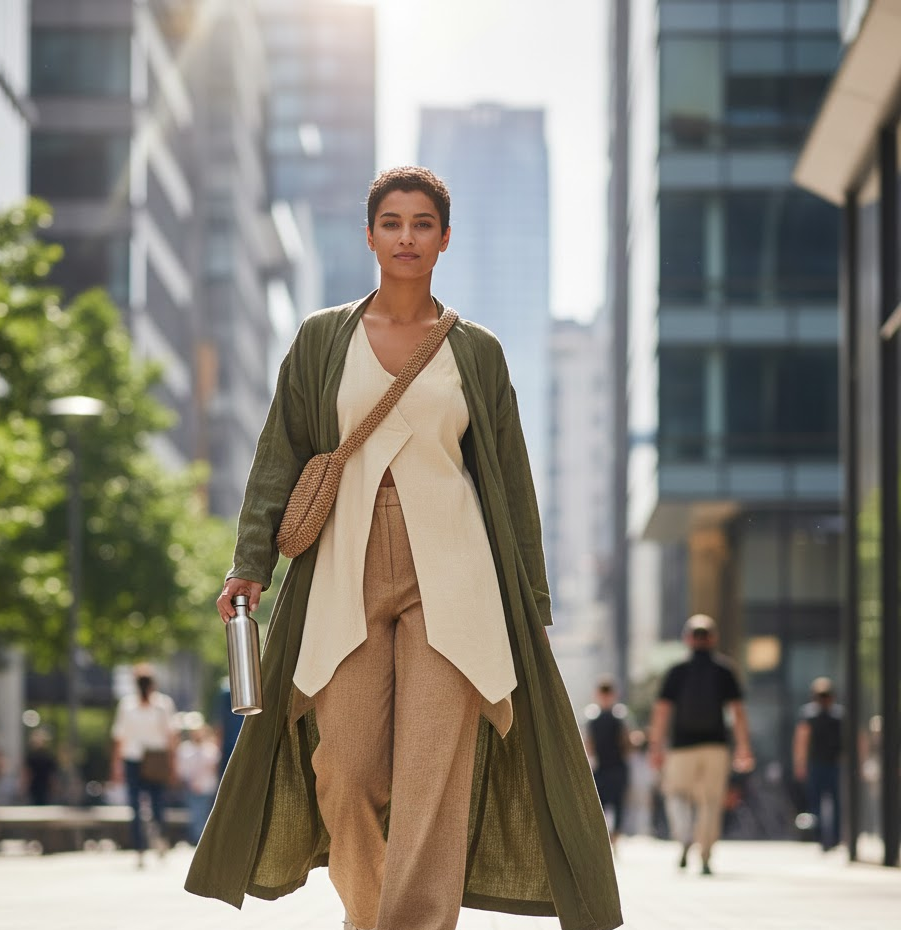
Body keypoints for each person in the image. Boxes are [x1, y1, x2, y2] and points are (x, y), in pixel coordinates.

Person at [185, 167, 622, 930]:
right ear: (370, 235)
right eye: (392, 222)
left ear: (445, 239)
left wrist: (531, 605)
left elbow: (510, 484)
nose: (407, 237)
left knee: (431, 783)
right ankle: (371, 916)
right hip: (343, 570)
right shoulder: (324, 338)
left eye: (423, 224)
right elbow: (280, 456)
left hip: (453, 577)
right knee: (345, 769)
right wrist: (250, 562)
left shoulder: (476, 353)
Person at [648, 613, 753, 876]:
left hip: (682, 747)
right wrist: (743, 747)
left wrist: (656, 747)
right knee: (710, 802)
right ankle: (705, 854)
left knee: (676, 794)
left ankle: (684, 837)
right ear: (713, 639)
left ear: (687, 639)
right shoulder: (724, 670)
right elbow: (738, 712)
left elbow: (661, 712)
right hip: (716, 746)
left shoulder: (677, 671)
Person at [110, 662, 178, 867]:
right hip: (147, 759)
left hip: (137, 759)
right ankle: (155, 842)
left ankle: (143, 847)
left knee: (140, 806)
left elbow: (119, 738)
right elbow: (171, 737)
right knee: (154, 804)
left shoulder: (147, 705)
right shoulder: (158, 705)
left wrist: (115, 765)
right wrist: (172, 764)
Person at [793, 676, 843, 851]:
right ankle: (821, 837)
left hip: (834, 764)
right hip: (816, 764)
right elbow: (802, 740)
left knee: (835, 803)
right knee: (817, 803)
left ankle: (834, 838)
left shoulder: (839, 715)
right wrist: (800, 764)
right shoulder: (809, 715)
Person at [584, 677, 630, 845]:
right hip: (600, 768)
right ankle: (604, 840)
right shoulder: (592, 718)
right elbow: (588, 744)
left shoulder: (619, 716)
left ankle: (615, 839)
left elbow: (626, 743)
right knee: (600, 805)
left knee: (618, 805)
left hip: (616, 767)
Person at [176, 719, 220, 845]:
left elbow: (213, 768)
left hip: (207, 787)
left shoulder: (210, 749)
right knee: (195, 813)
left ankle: (202, 838)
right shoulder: (185, 749)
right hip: (191, 787)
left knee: (205, 812)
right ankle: (197, 838)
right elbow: (182, 770)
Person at [23, 728, 58, 805]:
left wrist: (54, 788)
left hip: (45, 788)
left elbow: (52, 776)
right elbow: (27, 773)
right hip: (34, 788)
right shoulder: (31, 756)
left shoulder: (49, 756)